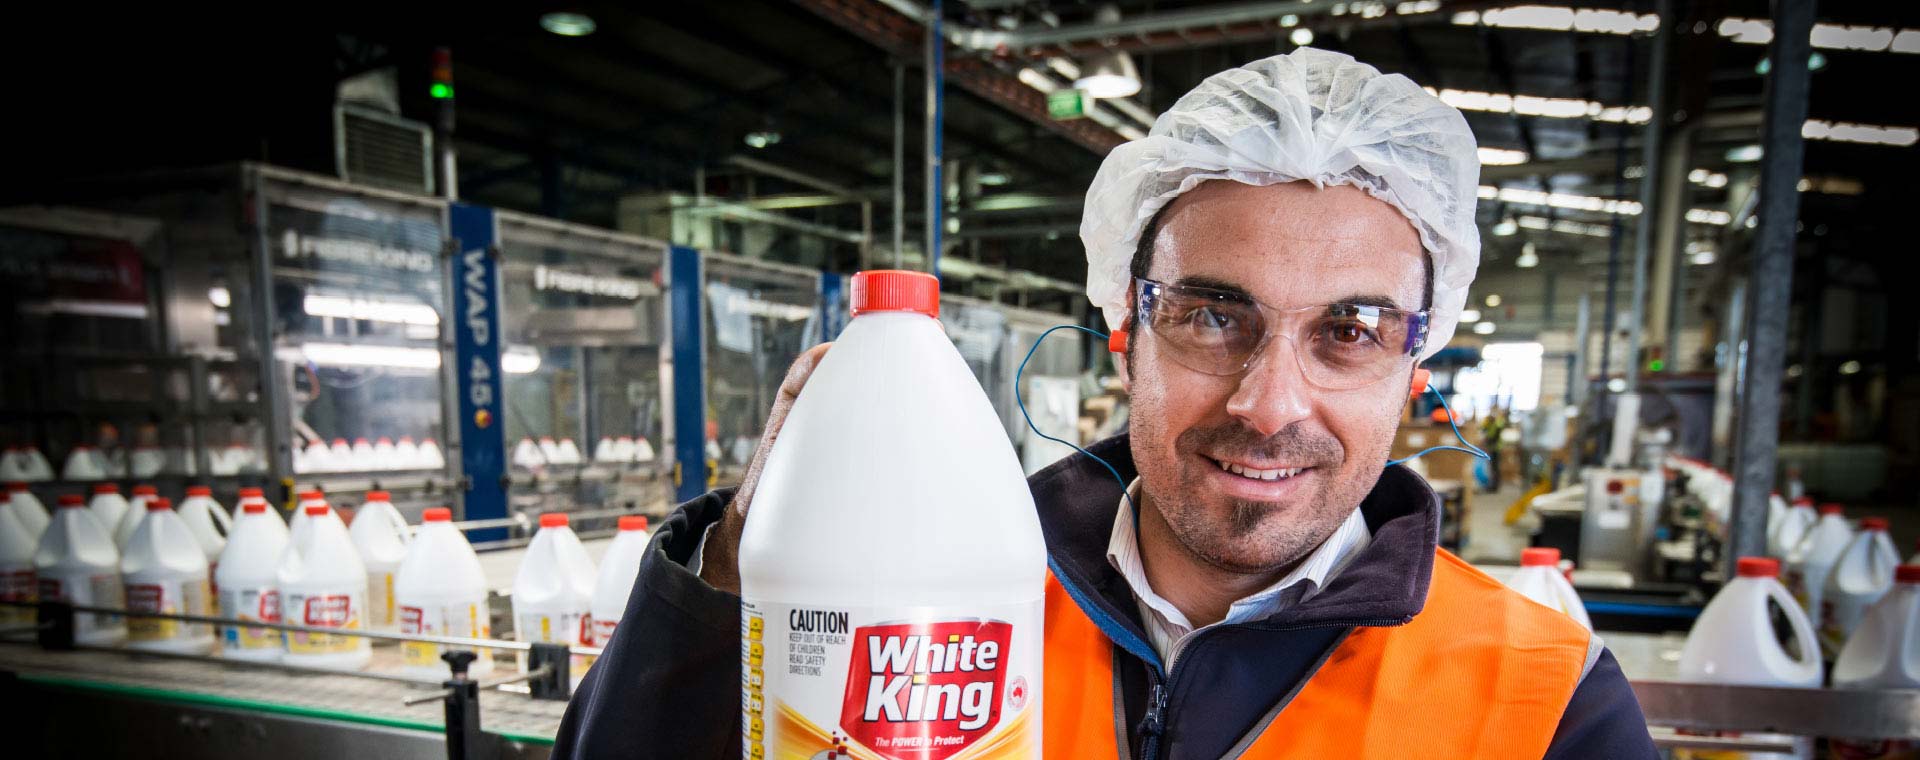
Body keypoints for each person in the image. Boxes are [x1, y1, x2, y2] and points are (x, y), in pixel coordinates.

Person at [555, 48, 1655, 759]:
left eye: (1350, 332)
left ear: (1419, 364)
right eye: (1213, 315)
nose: (1270, 404)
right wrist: (739, 574)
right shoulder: (928, 595)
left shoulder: (1542, 703)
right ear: (1125, 330)